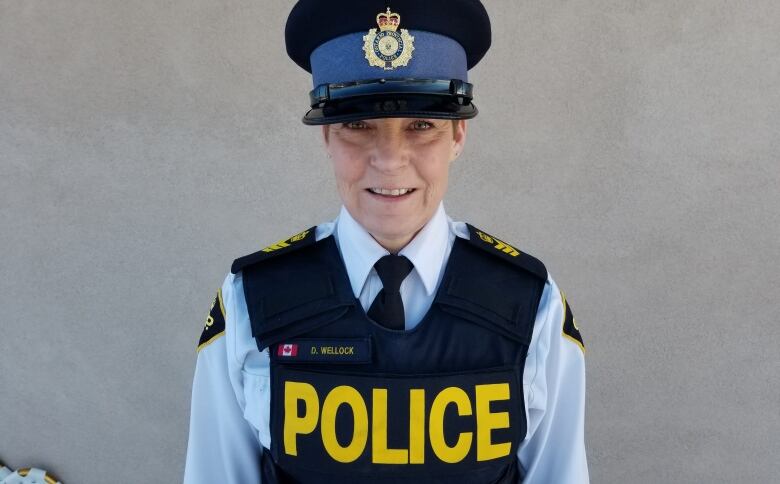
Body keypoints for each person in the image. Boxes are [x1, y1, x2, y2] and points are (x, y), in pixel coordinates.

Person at [184, 1, 588, 482]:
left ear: (458, 134)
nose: (390, 161)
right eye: (358, 126)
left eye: (421, 126)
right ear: (328, 137)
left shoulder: (530, 304)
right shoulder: (251, 300)